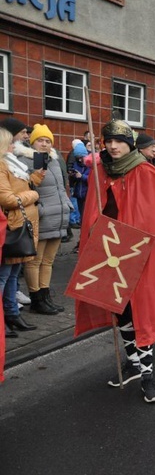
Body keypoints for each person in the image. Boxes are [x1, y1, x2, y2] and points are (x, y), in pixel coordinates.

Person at [74, 119, 155, 403]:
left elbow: (151, 221)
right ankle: (132, 363)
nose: (113, 146)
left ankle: (148, 375)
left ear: (129, 142)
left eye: (118, 140)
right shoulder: (100, 171)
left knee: (143, 311)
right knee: (121, 310)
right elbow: (93, 210)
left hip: (137, 254)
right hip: (108, 251)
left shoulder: (145, 172)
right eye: (108, 141)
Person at [14, 124, 71, 315]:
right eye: (40, 140)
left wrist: (67, 205)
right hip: (41, 217)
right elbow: (24, 189)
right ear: (32, 142)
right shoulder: (23, 160)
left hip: (59, 216)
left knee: (48, 261)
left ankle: (46, 296)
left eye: (48, 141)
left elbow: (61, 186)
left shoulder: (53, 160)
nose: (44, 144)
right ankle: (36, 298)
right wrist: (41, 210)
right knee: (34, 261)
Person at [0, 127, 42, 337]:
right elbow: (7, 199)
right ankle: (5, 317)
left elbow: (34, 182)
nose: (14, 146)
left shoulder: (13, 164)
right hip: (13, 226)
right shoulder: (1, 166)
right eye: (9, 143)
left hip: (23, 225)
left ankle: (12, 314)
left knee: (13, 275)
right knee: (4, 276)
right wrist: (32, 195)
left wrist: (42, 160)